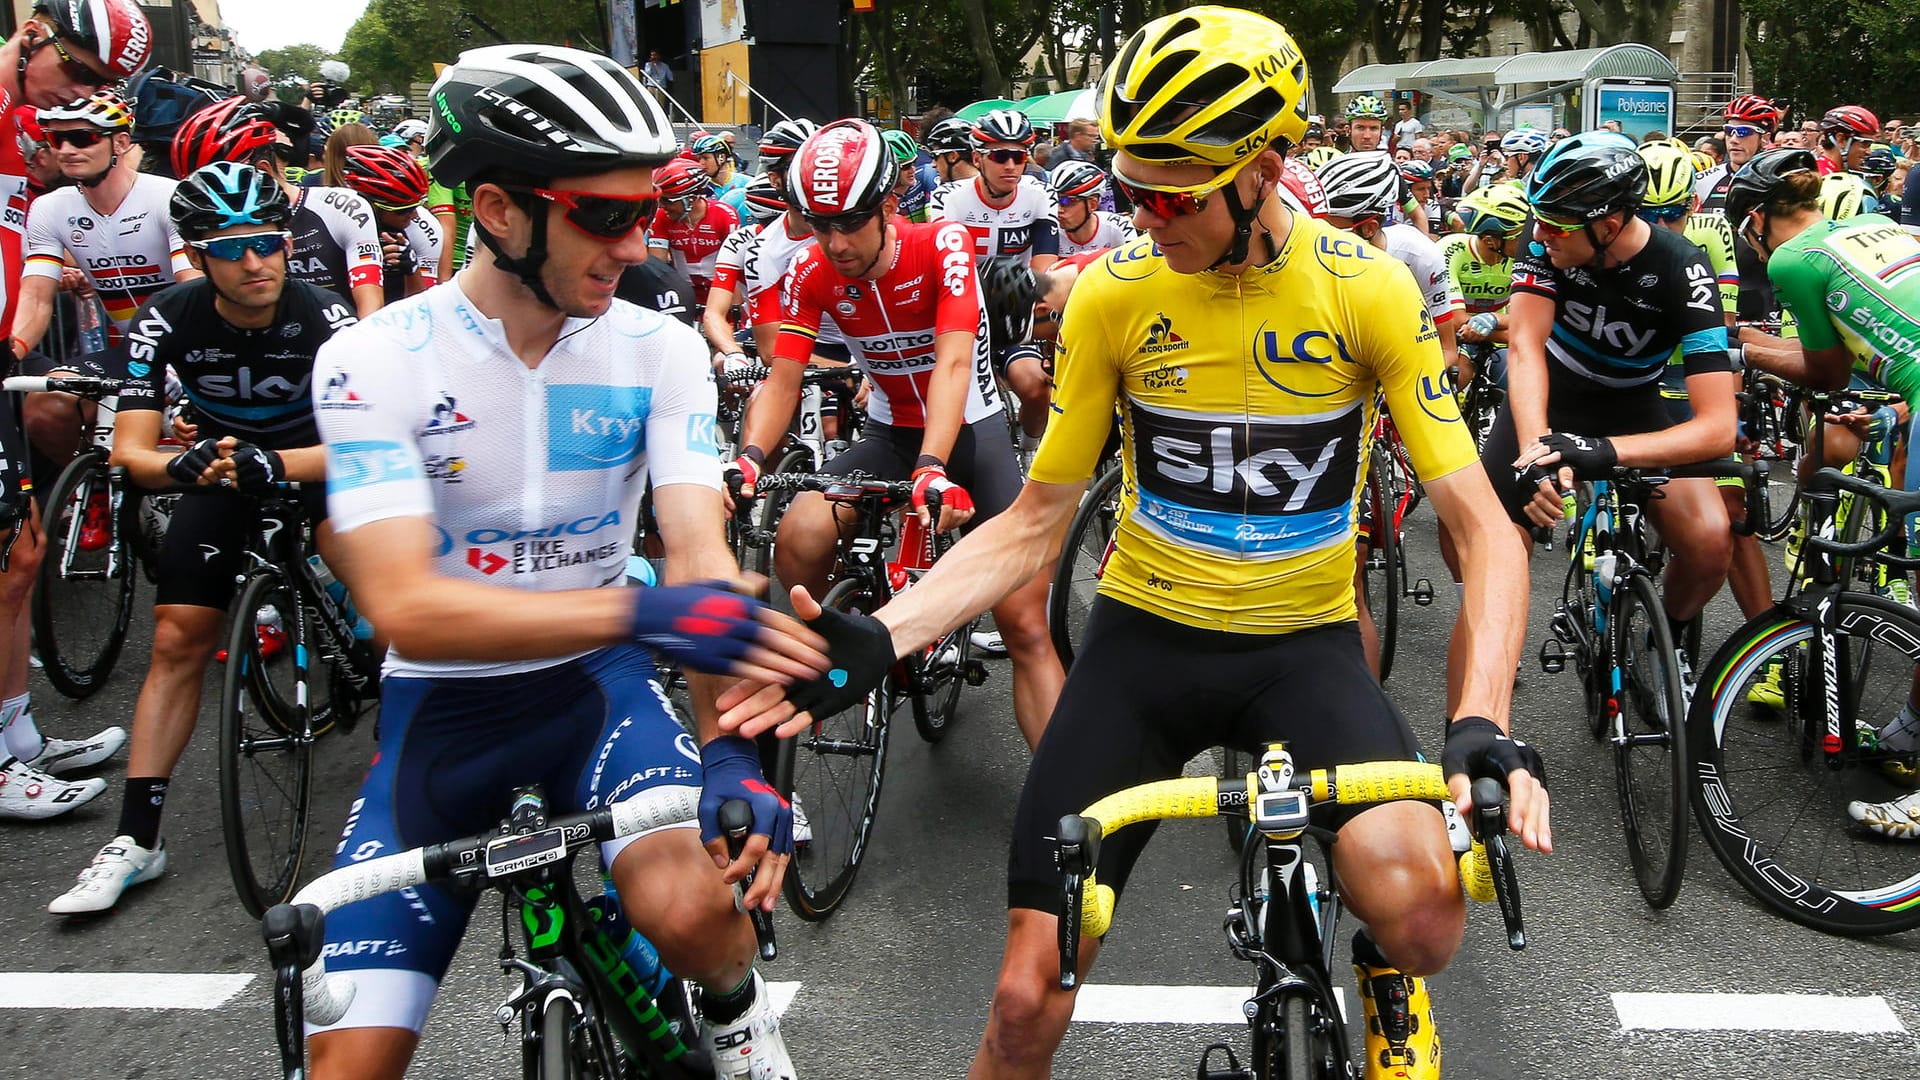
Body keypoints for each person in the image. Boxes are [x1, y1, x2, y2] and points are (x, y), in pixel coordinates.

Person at [720, 12, 1548, 1080]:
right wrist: (877, 640)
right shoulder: (1114, 296)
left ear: (1267, 168)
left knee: (1424, 921)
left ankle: (1377, 972)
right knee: (1024, 1001)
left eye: (1175, 194)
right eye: (1128, 188)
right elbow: (1032, 524)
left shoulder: (1366, 287)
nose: (1144, 217)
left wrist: (1482, 720)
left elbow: (1484, 530)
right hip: (1144, 649)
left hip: (1304, 643)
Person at [299, 44, 826, 1080]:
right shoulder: (372, 359)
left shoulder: (655, 348)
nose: (637, 244)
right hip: (442, 715)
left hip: (599, 697)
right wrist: (641, 617)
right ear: (498, 207)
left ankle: (740, 1021)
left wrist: (730, 750)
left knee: (690, 912)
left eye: (649, 212)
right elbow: (409, 608)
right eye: (605, 214)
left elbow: (695, 557)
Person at [44, 162, 359, 911]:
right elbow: (130, 452)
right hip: (218, 473)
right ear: (197, 253)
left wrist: (272, 462)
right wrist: (178, 463)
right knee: (180, 638)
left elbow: (369, 441)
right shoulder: (167, 316)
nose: (256, 262)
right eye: (231, 248)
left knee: (381, 593)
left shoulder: (328, 316)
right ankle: (136, 839)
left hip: (316, 462)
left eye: (268, 242)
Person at [731, 118, 1063, 751]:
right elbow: (783, 377)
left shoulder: (943, 244)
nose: (834, 242)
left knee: (1023, 626)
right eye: (818, 224)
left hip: (969, 429)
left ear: (887, 206)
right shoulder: (809, 268)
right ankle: (831, 655)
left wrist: (934, 463)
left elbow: (955, 363)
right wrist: (749, 458)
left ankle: (1066, 807)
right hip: (888, 431)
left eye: (849, 222)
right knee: (800, 531)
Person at [1473, 131, 1737, 668]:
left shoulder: (1683, 271)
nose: (1539, 234)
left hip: (1631, 407)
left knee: (1710, 542)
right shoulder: (1548, 231)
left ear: (1608, 225)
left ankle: (1667, 640)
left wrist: (1605, 452)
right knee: (1492, 538)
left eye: (1554, 227)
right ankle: (1493, 668)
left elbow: (1716, 429)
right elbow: (1524, 346)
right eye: (1537, 220)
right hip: (1550, 394)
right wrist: (1535, 453)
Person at [1719, 149, 1920, 838]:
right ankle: (1909, 735)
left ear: (1756, 221)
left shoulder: (1793, 260)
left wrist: (1741, 345)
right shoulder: (1883, 227)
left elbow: (1826, 372)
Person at [14, 89, 199, 469]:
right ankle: (90, 488)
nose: (66, 148)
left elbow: (192, 286)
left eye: (82, 137)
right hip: (130, 350)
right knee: (46, 405)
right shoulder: (50, 208)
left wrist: (185, 367)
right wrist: (11, 351)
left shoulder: (168, 196)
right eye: (56, 139)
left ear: (121, 142)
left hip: (190, 343)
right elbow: (35, 298)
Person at [337, 143, 443, 303]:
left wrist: (412, 268)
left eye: (417, 206)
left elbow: (423, 307)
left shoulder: (424, 228)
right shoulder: (336, 217)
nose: (414, 215)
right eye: (404, 210)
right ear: (372, 205)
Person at [642, 48, 673, 112]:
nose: (653, 57)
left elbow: (670, 78)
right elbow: (646, 74)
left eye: (655, 55)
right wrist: (652, 65)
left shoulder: (665, 66)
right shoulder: (648, 64)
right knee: (650, 105)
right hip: (651, 87)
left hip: (661, 88)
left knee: (660, 106)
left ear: (659, 56)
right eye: (652, 55)